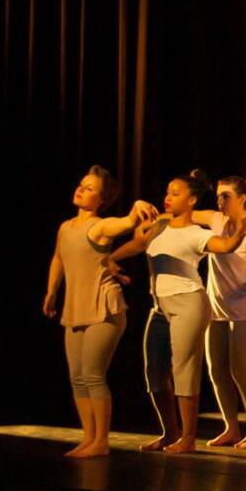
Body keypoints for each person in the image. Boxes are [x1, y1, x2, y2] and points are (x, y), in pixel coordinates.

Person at [108, 170, 246, 454]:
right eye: (167, 192)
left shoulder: (197, 234)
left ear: (191, 201)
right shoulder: (159, 225)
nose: (167, 198)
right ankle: (170, 433)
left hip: (189, 304)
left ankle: (188, 438)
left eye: (175, 194)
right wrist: (110, 260)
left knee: (184, 370)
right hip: (160, 307)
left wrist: (240, 231)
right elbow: (139, 244)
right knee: (154, 371)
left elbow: (225, 246)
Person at [42, 166, 156, 457]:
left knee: (93, 375)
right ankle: (89, 438)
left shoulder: (100, 226)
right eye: (81, 184)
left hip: (103, 307)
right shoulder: (66, 227)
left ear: (101, 199)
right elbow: (58, 259)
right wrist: (52, 291)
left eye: (90, 188)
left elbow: (126, 223)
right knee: (77, 377)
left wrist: (136, 210)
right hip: (75, 307)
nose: (81, 189)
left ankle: (101, 441)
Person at [180, 177, 246, 448]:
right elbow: (182, 212)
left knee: (240, 370)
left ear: (243, 198)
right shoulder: (215, 220)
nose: (221, 202)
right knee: (216, 371)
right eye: (219, 196)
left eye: (227, 196)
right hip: (216, 308)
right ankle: (231, 427)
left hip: (245, 308)